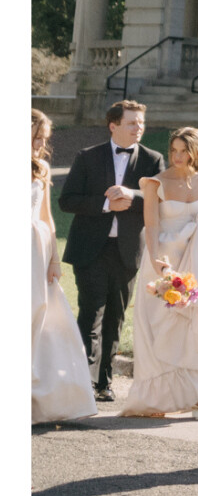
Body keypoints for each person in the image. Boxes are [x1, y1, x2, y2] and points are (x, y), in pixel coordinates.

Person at [122, 126, 198, 417]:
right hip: (163, 258)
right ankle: (156, 400)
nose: (177, 156)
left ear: (196, 152)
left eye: (184, 150)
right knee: (161, 325)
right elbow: (152, 225)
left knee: (194, 325)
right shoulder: (154, 183)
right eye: (174, 150)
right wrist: (159, 261)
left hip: (194, 259)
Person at [56, 99, 163, 404]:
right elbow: (67, 200)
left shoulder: (153, 160)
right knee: (90, 315)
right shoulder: (87, 157)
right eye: (132, 123)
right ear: (113, 125)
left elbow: (162, 199)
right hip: (90, 248)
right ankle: (84, 383)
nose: (138, 128)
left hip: (127, 250)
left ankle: (105, 382)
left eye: (141, 123)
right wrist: (105, 205)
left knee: (115, 319)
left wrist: (132, 194)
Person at [32, 109, 95, 423]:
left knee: (42, 315)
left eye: (43, 139)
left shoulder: (41, 167)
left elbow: (46, 216)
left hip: (36, 248)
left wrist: (54, 258)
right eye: (34, 138)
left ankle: (41, 396)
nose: (39, 145)